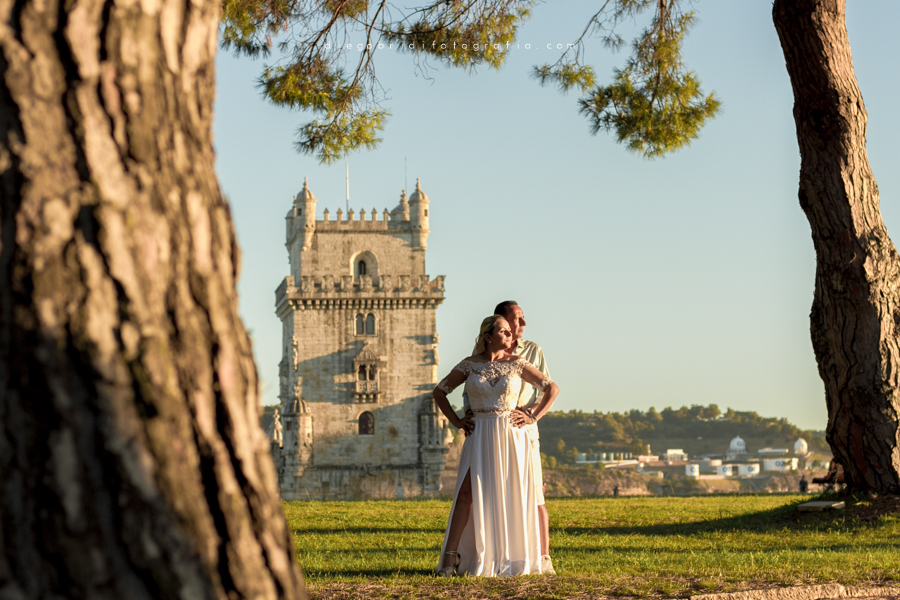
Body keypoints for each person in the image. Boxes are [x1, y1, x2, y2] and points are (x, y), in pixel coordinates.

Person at [432, 315, 559, 577]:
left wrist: (532, 415)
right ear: (487, 336)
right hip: (478, 434)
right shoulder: (469, 365)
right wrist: (456, 420)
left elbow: (552, 389)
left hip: (511, 436)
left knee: (510, 494)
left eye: (510, 333)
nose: (510, 336)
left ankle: (509, 557)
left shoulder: (517, 364)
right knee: (466, 495)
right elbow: (439, 391)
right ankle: (449, 560)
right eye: (503, 331)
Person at [463, 300, 556, 574]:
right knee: (487, 492)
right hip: (487, 431)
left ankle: (542, 557)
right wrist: (468, 417)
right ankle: (491, 554)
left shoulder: (533, 351)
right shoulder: (483, 349)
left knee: (534, 493)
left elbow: (548, 388)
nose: (523, 324)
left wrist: (532, 416)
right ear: (499, 322)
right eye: (517, 318)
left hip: (522, 429)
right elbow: (470, 384)